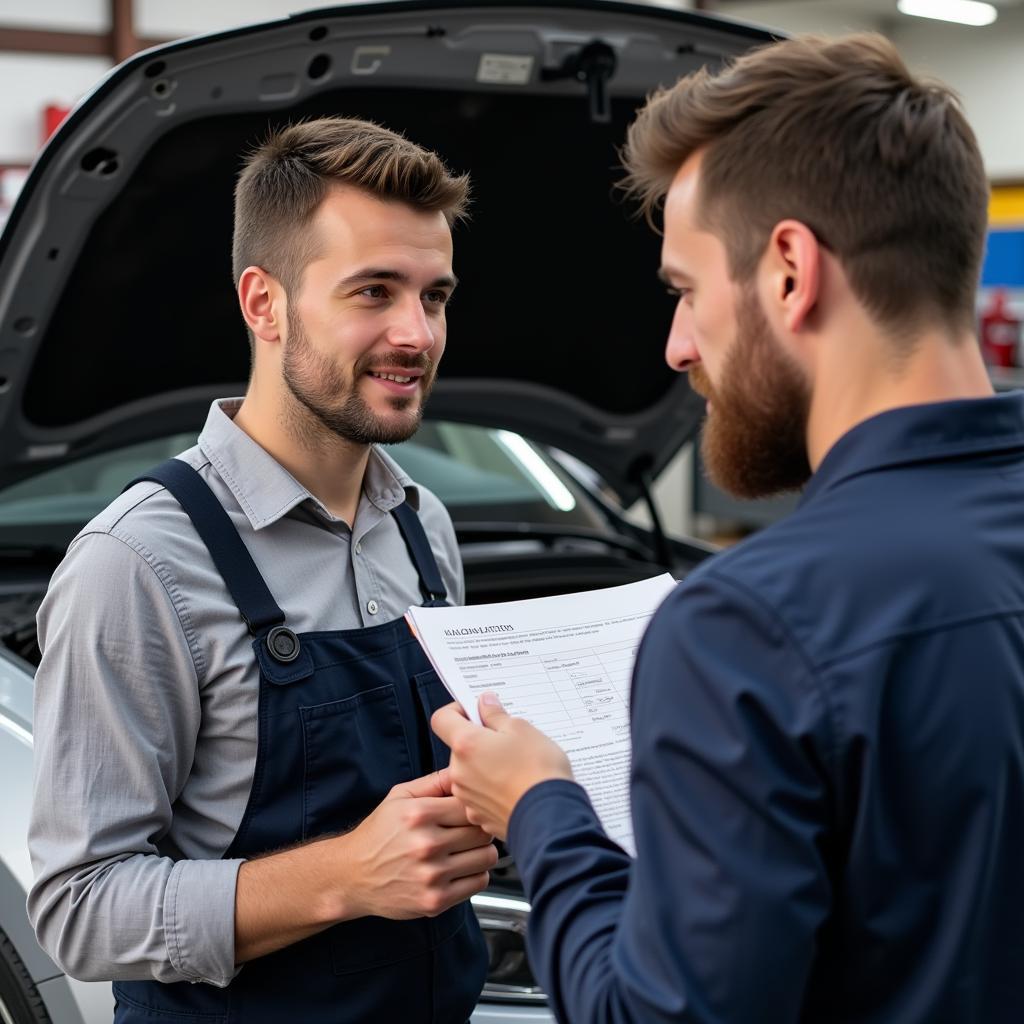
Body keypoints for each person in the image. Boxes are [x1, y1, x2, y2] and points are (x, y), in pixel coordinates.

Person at [433, 32, 1024, 1024]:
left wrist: (540, 808)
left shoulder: (749, 627)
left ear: (790, 270)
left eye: (683, 291)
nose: (673, 346)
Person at [28, 116, 495, 1024]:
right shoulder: (137, 564)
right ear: (263, 303)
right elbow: (78, 909)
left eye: (434, 296)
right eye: (373, 291)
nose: (418, 333)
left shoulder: (422, 528)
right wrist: (351, 876)